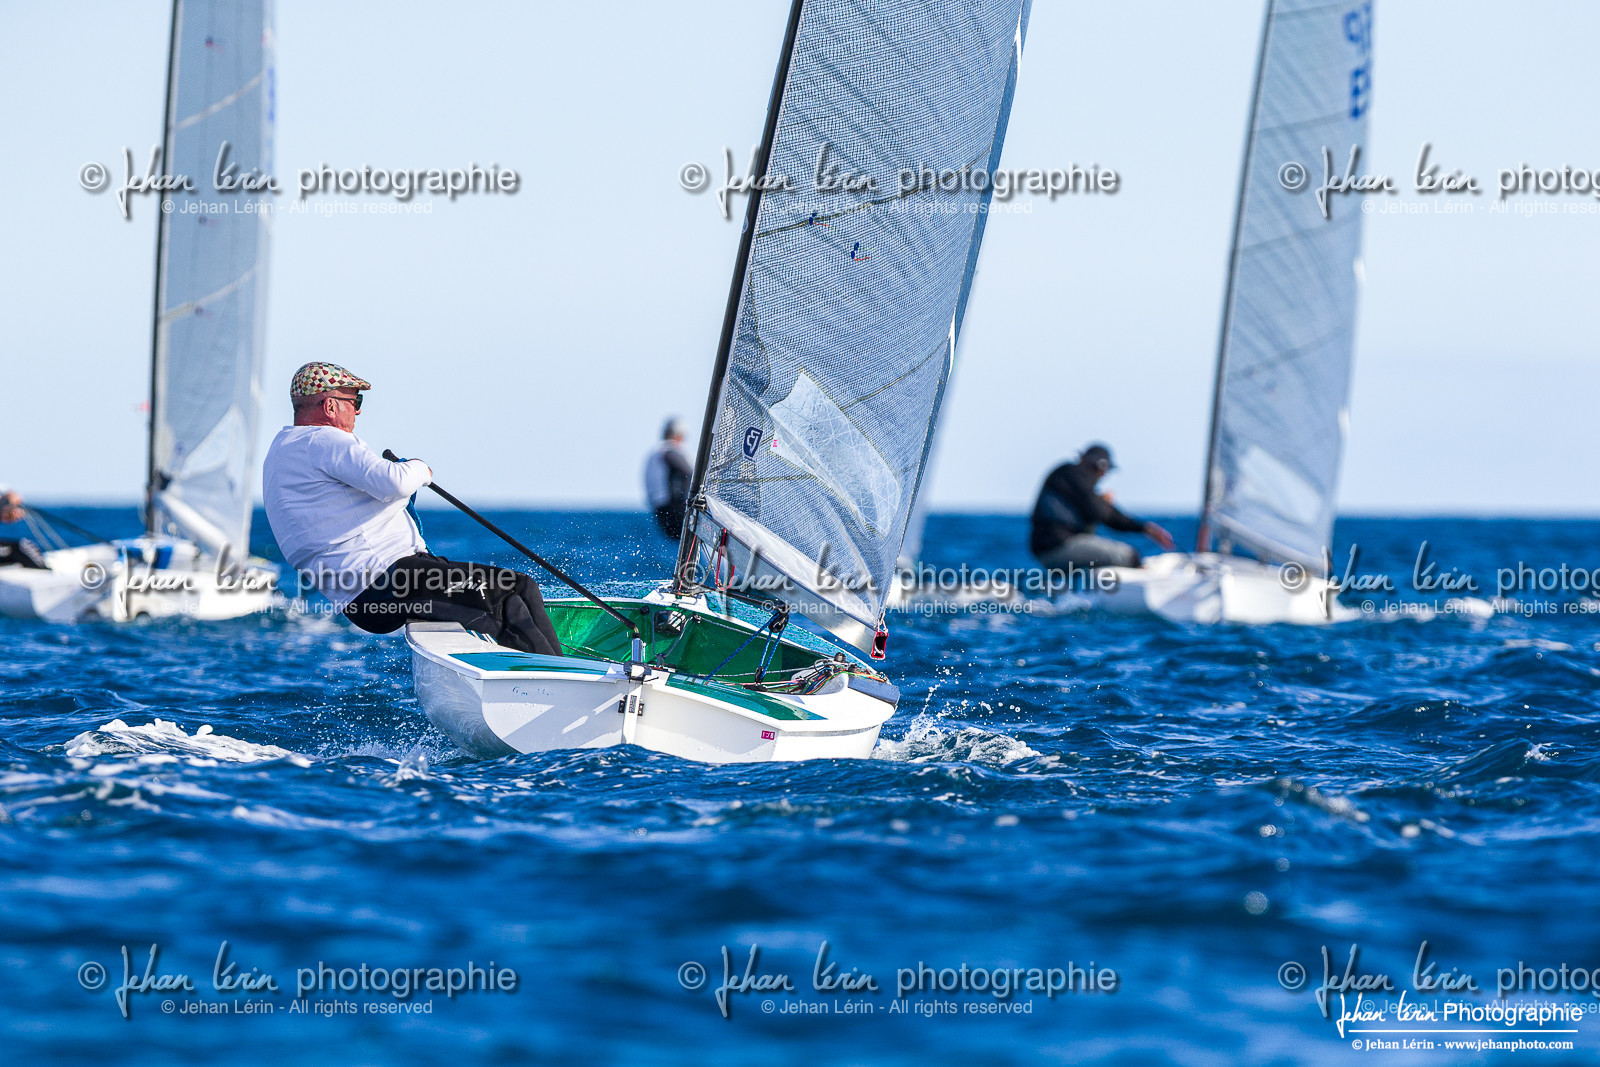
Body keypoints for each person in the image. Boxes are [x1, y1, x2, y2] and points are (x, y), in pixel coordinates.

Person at [262, 362, 562, 656]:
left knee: (521, 586)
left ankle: (560, 670)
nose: (358, 410)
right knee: (506, 600)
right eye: (354, 401)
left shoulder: (281, 452)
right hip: (389, 579)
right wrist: (419, 467)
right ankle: (559, 686)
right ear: (330, 406)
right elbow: (396, 482)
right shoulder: (325, 440)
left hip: (365, 595)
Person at [1030, 443, 1175, 571]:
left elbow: (1099, 512)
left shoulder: (1068, 477)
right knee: (1128, 556)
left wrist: (1145, 528)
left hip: (1046, 549)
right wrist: (1145, 528)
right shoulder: (1073, 474)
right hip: (1057, 548)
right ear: (1100, 467)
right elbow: (1102, 514)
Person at [644, 418, 694, 539]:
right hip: (673, 508)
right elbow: (687, 471)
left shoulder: (656, 451)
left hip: (660, 511)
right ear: (678, 435)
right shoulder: (669, 451)